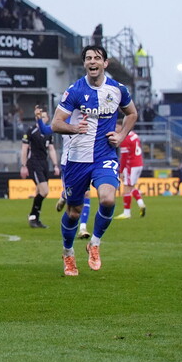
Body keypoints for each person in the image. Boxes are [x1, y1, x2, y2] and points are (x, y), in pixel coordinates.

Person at [50, 45, 137, 276]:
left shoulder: (118, 90)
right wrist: (72, 128)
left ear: (105, 63)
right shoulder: (75, 90)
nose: (92, 61)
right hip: (77, 159)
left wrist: (121, 135)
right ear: (84, 64)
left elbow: (132, 114)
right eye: (88, 58)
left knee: (108, 199)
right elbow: (55, 123)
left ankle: (95, 243)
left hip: (104, 156)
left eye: (97, 58)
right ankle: (68, 254)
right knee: (74, 212)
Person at [21, 106, 61, 228]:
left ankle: (35, 218)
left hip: (44, 163)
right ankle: (33, 216)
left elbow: (52, 149)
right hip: (34, 162)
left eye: (44, 117)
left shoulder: (48, 133)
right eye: (40, 117)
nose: (42, 119)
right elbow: (24, 149)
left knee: (40, 191)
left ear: (48, 118)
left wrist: (55, 165)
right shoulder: (31, 131)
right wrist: (23, 166)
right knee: (44, 191)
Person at [116, 119, 146, 219]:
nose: (115, 129)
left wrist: (120, 171)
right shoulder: (134, 135)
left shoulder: (125, 138)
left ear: (122, 126)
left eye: (117, 127)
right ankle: (141, 203)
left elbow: (124, 157)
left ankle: (127, 213)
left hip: (131, 165)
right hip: (139, 164)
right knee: (131, 186)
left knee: (126, 188)